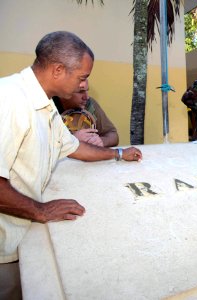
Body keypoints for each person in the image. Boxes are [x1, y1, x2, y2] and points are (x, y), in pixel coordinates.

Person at [0, 31, 142, 300]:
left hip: (22, 241)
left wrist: (119, 154)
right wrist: (41, 210)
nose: (83, 85)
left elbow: (74, 147)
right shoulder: (8, 100)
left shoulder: (46, 107)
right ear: (57, 70)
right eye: (82, 77)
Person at [53, 80, 119, 147]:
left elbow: (113, 135)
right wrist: (72, 140)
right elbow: (44, 147)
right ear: (64, 92)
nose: (86, 97)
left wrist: (101, 141)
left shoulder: (89, 105)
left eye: (87, 90)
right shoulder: (48, 107)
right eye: (80, 91)